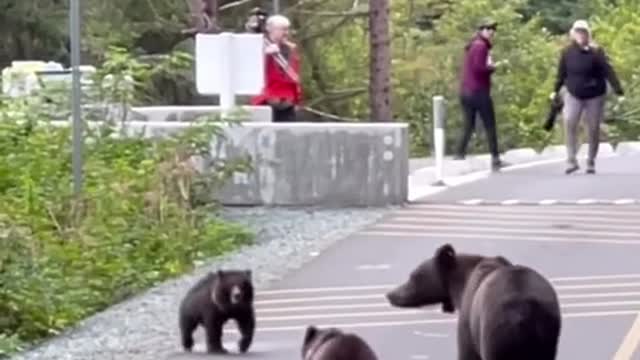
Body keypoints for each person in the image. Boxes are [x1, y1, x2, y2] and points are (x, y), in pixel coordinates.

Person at [550, 19, 624, 175]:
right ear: (573, 34)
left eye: (583, 32)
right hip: (573, 93)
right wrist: (555, 90)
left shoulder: (596, 52)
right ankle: (571, 160)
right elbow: (561, 73)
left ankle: (591, 160)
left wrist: (618, 91)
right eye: (577, 32)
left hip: (594, 94)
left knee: (593, 128)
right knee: (569, 122)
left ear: (588, 34)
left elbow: (608, 71)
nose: (580, 35)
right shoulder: (567, 52)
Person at [455, 18, 508, 172]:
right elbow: (479, 69)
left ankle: (459, 153)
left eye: (493, 29)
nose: (491, 31)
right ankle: (495, 158)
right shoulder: (480, 46)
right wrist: (492, 67)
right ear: (481, 30)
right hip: (478, 91)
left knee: (468, 124)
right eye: (488, 28)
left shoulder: (473, 45)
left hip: (466, 90)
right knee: (489, 124)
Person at [250, 14, 303, 122]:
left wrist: (296, 98)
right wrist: (265, 54)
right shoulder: (258, 46)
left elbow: (293, 75)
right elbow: (252, 70)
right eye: (283, 29)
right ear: (271, 29)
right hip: (267, 101)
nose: (286, 33)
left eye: (287, 29)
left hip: (287, 103)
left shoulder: (291, 48)